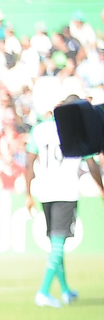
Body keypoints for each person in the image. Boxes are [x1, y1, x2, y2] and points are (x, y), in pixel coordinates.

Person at [26, 98, 103, 307]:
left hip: (45, 190)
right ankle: (43, 292)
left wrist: (27, 192)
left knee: (54, 243)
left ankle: (66, 290)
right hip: (66, 190)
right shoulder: (77, 128)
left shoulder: (39, 130)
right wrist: (102, 190)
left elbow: (30, 161)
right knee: (58, 245)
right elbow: (92, 165)